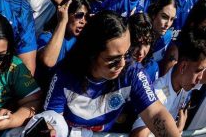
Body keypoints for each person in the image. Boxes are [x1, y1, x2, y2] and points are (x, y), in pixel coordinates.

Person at [43, 11, 180, 134]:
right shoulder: (65, 74)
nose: (122, 63)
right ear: (91, 53)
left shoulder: (132, 71)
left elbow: (155, 113)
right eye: (113, 59)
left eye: (126, 54)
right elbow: (53, 121)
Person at [131, 27, 206, 136]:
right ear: (183, 66)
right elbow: (138, 134)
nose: (201, 77)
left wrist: (178, 128)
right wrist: (177, 130)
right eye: (199, 70)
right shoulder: (158, 93)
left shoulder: (187, 80)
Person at [36, 0, 90, 87]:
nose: (83, 21)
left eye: (86, 17)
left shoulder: (80, 39)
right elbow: (48, 61)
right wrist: (62, 21)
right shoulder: (46, 37)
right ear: (65, 14)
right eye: (79, 15)